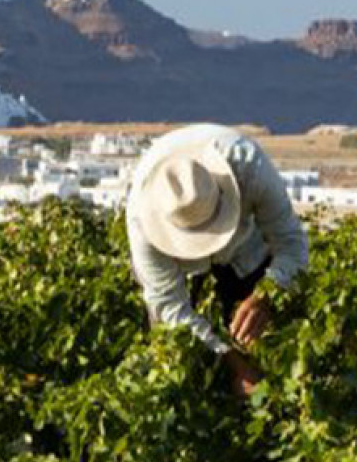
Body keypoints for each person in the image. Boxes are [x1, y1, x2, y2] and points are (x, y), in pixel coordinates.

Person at [127, 124, 310, 396]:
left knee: (262, 331)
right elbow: (169, 306)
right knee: (173, 347)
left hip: (246, 248)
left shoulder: (249, 167)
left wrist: (265, 294)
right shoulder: (143, 221)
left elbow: (292, 244)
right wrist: (235, 365)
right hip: (174, 262)